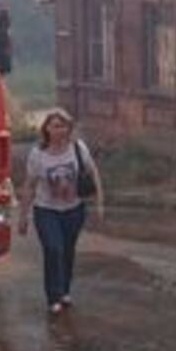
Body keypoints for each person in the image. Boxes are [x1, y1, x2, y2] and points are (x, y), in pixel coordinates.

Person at [18, 108, 105, 315]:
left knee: (67, 251)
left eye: (63, 126)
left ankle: (65, 290)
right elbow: (29, 185)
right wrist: (23, 216)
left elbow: (94, 173)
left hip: (73, 209)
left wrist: (100, 202)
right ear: (46, 129)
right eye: (54, 126)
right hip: (46, 210)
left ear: (69, 128)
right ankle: (53, 296)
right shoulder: (38, 154)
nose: (59, 130)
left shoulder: (77, 148)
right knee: (53, 249)